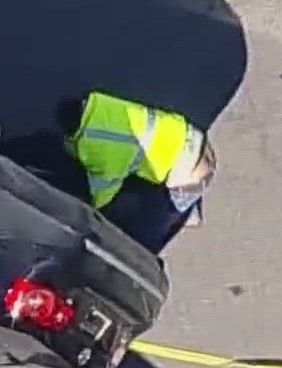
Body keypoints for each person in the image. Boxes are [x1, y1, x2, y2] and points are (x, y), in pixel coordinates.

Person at [65, 90, 216, 253]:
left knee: (149, 235)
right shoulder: (102, 107)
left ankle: (186, 214)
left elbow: (105, 189)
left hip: (188, 174)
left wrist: (93, 212)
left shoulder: (102, 147)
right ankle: (187, 206)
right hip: (192, 140)